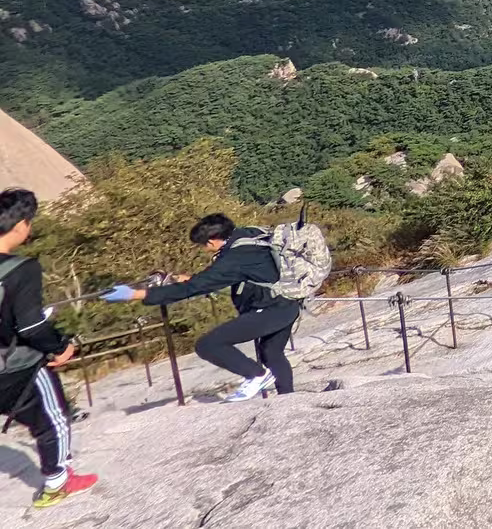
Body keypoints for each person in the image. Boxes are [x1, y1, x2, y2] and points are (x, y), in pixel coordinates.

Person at [106, 213, 302, 401]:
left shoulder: (233, 258)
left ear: (212, 241)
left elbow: (194, 288)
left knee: (208, 345)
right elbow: (237, 275)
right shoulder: (250, 235)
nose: (204, 249)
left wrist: (135, 294)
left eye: (203, 245)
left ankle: (255, 375)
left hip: (270, 309)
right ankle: (287, 401)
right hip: (289, 301)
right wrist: (192, 279)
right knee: (272, 352)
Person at [0, 189, 95, 509]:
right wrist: (60, 347)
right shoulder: (21, 269)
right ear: (22, 226)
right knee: (53, 417)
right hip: (18, 364)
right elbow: (29, 326)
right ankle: (58, 482)